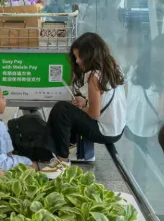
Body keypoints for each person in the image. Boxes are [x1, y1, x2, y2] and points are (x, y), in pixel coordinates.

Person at [44, 32, 126, 172]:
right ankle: (60, 150)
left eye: (78, 56)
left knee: (62, 109)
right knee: (68, 110)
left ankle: (62, 159)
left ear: (89, 55)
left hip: (104, 132)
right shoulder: (114, 68)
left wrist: (81, 107)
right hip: (118, 129)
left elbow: (94, 114)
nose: (77, 61)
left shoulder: (94, 77)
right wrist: (85, 101)